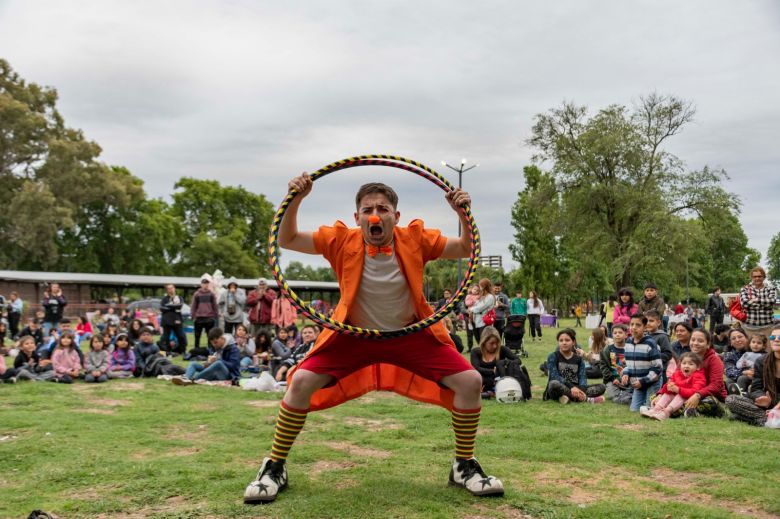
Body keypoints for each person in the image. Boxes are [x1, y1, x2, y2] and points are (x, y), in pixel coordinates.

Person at [243, 174, 503, 505]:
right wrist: (297, 197)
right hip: (353, 335)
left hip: (409, 334)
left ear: (396, 215)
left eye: (383, 208)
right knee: (301, 382)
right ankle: (274, 466)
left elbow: (466, 247)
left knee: (469, 381)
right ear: (357, 218)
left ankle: (463, 465)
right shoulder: (341, 240)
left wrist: (462, 213)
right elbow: (288, 238)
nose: (375, 214)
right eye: (367, 209)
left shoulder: (415, 239)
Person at [725, 327, 780, 426]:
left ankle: (761, 419)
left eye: (779, 337)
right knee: (731, 400)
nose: (776, 339)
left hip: (777, 403)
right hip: (768, 402)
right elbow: (756, 388)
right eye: (773, 337)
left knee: (735, 416)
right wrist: (762, 397)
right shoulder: (762, 361)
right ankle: (769, 419)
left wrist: (776, 406)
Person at [543, 328, 605, 404]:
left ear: (573, 342)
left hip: (577, 388)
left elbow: (582, 377)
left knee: (602, 387)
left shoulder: (578, 359)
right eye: (561, 340)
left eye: (567, 340)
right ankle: (587, 399)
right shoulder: (553, 356)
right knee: (553, 384)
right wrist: (572, 387)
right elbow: (554, 376)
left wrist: (580, 389)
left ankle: (566, 398)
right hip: (560, 386)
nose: (564, 343)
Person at [640, 352, 706, 420]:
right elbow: (667, 386)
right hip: (675, 397)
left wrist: (678, 390)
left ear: (698, 367)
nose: (686, 366)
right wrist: (668, 387)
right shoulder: (677, 373)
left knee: (680, 396)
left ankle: (666, 412)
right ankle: (656, 409)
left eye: (691, 364)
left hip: (688, 400)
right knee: (667, 394)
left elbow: (695, 391)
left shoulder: (699, 376)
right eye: (684, 363)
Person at [678, 329, 727, 418]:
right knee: (656, 398)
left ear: (708, 344)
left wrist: (698, 395)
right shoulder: (686, 358)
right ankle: (686, 411)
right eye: (693, 340)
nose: (695, 343)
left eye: (700, 341)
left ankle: (687, 411)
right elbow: (675, 378)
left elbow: (716, 385)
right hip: (688, 392)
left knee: (709, 402)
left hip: (710, 396)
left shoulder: (714, 360)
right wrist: (661, 394)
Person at [622, 314, 662, 412]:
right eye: (632, 324)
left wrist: (643, 381)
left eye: (638, 325)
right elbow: (628, 364)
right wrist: (626, 373)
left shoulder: (650, 343)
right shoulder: (628, 343)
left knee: (649, 409)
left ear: (645, 327)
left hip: (652, 382)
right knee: (634, 410)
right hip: (638, 384)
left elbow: (658, 368)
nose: (634, 328)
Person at [174, 328, 241, 384]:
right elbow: (213, 364)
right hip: (215, 371)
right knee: (193, 364)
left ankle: (194, 380)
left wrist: (217, 361)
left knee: (219, 363)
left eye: (215, 342)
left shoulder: (233, 348)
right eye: (213, 343)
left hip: (229, 375)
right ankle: (186, 377)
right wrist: (208, 363)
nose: (214, 345)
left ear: (222, 338)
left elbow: (234, 366)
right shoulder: (217, 347)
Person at [470, 325, 517, 398]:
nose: (495, 346)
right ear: (484, 342)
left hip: (499, 380)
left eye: (497, 342)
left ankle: (490, 392)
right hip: (482, 380)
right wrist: (493, 371)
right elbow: (476, 368)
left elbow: (517, 360)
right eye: (491, 343)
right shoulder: (475, 352)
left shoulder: (502, 349)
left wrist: (506, 363)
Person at [738, 267, 778, 338]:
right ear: (751, 277)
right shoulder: (745, 289)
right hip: (749, 327)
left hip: (768, 327)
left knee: (767, 349)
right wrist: (764, 302)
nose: (757, 278)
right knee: (750, 348)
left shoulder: (771, 288)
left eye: (759, 276)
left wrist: (755, 300)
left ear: (764, 277)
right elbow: (744, 304)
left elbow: (772, 301)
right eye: (754, 276)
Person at [600, 324, 632, 405]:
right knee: (612, 396)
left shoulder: (631, 348)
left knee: (632, 391)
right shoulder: (607, 349)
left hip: (629, 380)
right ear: (612, 335)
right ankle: (624, 396)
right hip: (612, 380)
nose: (617, 334)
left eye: (620, 332)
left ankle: (627, 395)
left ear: (626, 335)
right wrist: (613, 379)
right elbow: (604, 367)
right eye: (615, 333)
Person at [644, 310, 674, 383]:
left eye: (651, 321)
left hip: (659, 372)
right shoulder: (643, 336)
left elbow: (668, 354)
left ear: (658, 323)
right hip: (645, 371)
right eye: (646, 321)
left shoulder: (662, 336)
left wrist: (652, 357)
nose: (648, 323)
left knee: (656, 393)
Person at [191, 278, 219, 350]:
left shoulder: (211, 294)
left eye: (206, 283)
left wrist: (215, 316)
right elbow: (193, 306)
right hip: (199, 318)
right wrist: (193, 316)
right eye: (204, 283)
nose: (205, 285)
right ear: (201, 284)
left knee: (210, 336)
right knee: (197, 336)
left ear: (208, 285)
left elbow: (215, 305)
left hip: (209, 318)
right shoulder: (196, 294)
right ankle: (196, 350)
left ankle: (211, 350)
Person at [160, 284, 187, 355]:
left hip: (177, 320)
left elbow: (179, 306)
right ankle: (167, 351)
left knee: (181, 336)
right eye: (168, 288)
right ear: (167, 290)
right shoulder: (164, 299)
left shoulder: (179, 298)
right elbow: (162, 308)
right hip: (166, 321)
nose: (170, 290)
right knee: (166, 337)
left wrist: (168, 306)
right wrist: (173, 307)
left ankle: (183, 351)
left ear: (174, 288)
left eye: (171, 288)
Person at [723, 328, 750, 395]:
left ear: (746, 338)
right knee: (729, 380)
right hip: (739, 378)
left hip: (755, 378)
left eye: (740, 337)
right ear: (731, 343)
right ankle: (736, 400)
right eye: (733, 338)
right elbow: (730, 371)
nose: (737, 340)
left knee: (742, 378)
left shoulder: (755, 350)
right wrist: (745, 372)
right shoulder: (729, 355)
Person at [469, 278, 496, 343]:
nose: (479, 287)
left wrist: (471, 309)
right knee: (479, 341)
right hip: (476, 321)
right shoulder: (481, 296)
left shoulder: (490, 297)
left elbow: (480, 308)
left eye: (480, 285)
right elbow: (475, 305)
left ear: (484, 286)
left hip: (484, 322)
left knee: (484, 341)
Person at [463, 284, 480, 352]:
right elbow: (467, 304)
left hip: (478, 316)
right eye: (474, 289)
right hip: (470, 316)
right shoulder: (468, 296)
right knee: (469, 333)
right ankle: (470, 347)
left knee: (478, 333)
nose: (476, 291)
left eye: (477, 290)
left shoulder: (480, 296)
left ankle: (481, 345)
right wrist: (473, 301)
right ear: (471, 289)